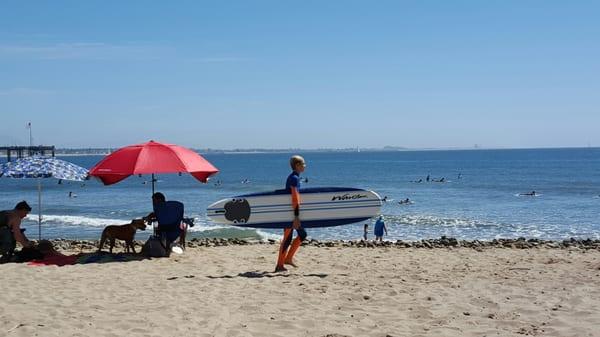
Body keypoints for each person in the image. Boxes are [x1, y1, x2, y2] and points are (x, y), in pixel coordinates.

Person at [275, 155, 308, 272]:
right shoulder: (294, 178)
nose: (305, 166)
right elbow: (295, 198)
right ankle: (279, 265)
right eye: (303, 164)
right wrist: (296, 216)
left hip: (292, 212)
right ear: (297, 165)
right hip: (290, 213)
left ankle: (288, 259)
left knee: (302, 235)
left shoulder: (295, 177)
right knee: (287, 239)